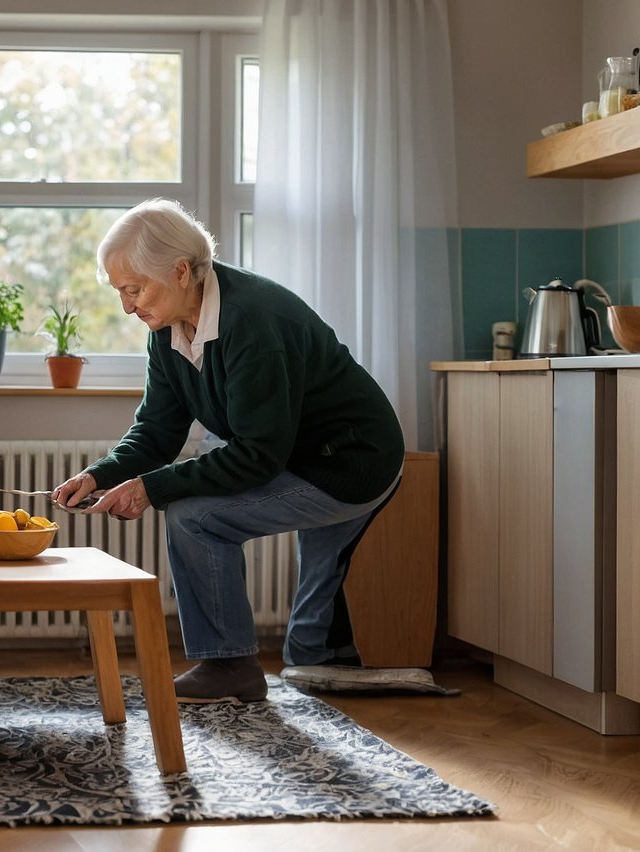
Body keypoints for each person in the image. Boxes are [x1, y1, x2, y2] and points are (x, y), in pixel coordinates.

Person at [52, 198, 405, 704]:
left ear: (179, 271)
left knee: (194, 515)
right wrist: (102, 474)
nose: (127, 306)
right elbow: (157, 430)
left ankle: (229, 667)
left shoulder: (253, 322)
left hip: (348, 461)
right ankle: (321, 659)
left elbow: (257, 455)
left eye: (134, 289)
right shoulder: (168, 328)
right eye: (120, 293)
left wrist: (152, 488)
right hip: (296, 453)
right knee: (312, 639)